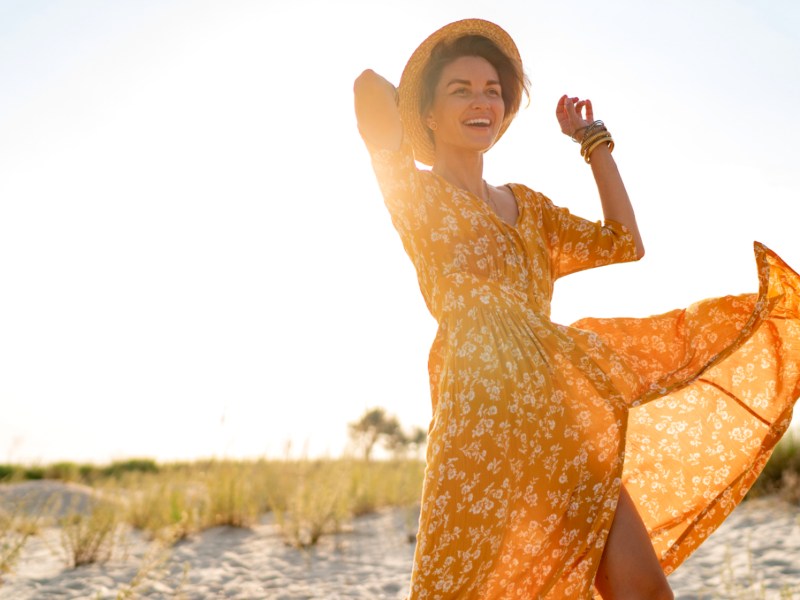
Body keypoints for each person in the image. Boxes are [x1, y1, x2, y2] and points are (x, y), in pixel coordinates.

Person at [354, 18, 800, 600]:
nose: (481, 101)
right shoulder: (413, 196)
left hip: (561, 412)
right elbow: (367, 87)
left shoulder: (530, 210)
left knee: (642, 589)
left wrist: (594, 142)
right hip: (479, 421)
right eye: (459, 90)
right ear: (429, 114)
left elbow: (624, 241)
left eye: (493, 90)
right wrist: (414, 103)